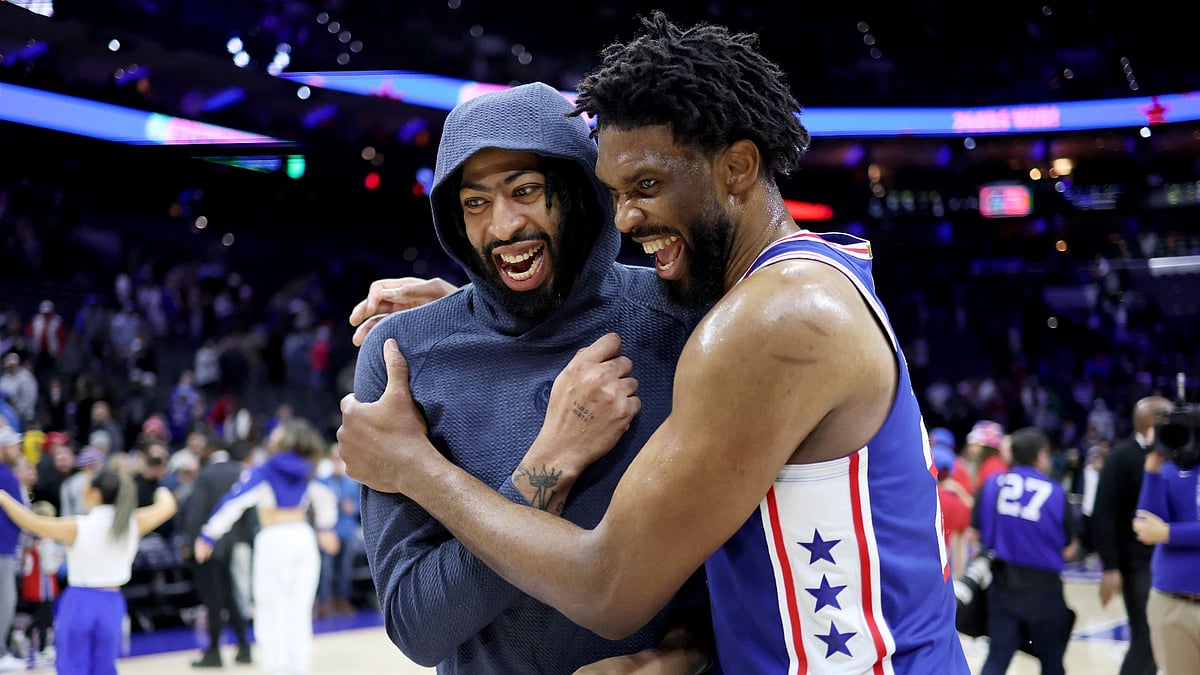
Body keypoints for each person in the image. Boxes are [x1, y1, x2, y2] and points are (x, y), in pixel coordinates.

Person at [338, 12, 968, 673]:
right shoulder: (785, 287)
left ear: (737, 166)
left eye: (646, 186)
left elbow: (608, 586)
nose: (627, 218)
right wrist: (468, 316)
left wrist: (413, 464)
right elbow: (417, 625)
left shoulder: (761, 321)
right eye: (475, 204)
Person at [345, 80, 713, 674]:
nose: (503, 226)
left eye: (525, 191)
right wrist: (550, 465)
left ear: (578, 191)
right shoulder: (403, 358)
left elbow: (747, 554)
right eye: (475, 203)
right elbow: (418, 626)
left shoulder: (685, 323)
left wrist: (685, 653)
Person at [193, 417, 339, 675]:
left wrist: (208, 534)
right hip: (303, 537)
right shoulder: (309, 468)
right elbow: (325, 496)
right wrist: (326, 528)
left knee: (271, 608)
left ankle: (276, 667)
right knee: (300, 608)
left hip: (274, 538)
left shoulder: (266, 469)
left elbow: (235, 501)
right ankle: (299, 667)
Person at [0, 466, 177, 675]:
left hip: (80, 600)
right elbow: (168, 506)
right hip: (112, 603)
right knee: (104, 667)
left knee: (72, 666)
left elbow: (32, 522)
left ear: (95, 493)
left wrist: (3, 497)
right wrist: (161, 489)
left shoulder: (79, 526)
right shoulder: (133, 522)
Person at [972, 427, 1077, 675]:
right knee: (1052, 663)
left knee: (996, 660)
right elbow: (1068, 549)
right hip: (1044, 589)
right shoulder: (1055, 491)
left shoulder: (992, 484)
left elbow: (975, 534)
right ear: (1041, 456)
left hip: (1002, 583)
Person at [1093, 394, 1174, 675]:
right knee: (1146, 637)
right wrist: (1111, 566)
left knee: (1160, 639)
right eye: (1170, 417)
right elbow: (1103, 514)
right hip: (1137, 564)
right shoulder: (1121, 457)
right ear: (1153, 421)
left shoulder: (1176, 455)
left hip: (1168, 558)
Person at [1131, 411, 1200, 674]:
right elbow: (1147, 527)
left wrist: (1169, 533)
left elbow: (1160, 531)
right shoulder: (1167, 470)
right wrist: (1152, 470)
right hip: (1172, 603)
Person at [179, 434, 254, 668]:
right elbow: (249, 510)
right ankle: (244, 649)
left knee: (213, 600)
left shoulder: (206, 475)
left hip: (208, 544)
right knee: (230, 596)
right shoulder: (239, 471)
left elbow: (196, 513)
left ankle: (214, 653)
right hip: (233, 543)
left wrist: (190, 543)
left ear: (210, 450)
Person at [19, 500, 64, 668]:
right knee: (45, 617)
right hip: (43, 584)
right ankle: (43, 649)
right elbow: (48, 566)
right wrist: (58, 560)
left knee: (41, 615)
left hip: (32, 583)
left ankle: (26, 634)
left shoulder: (28, 539)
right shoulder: (46, 541)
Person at [0, 426, 26, 672]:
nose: (18, 451)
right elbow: (21, 513)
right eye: (14, 446)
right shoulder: (6, 476)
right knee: (5, 600)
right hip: (3, 547)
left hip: (5, 545)